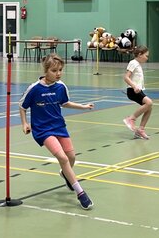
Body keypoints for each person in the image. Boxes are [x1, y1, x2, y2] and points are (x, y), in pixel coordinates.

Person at [19, 53, 94, 210]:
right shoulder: (34, 88)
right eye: (54, 70)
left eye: (60, 70)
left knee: (71, 157)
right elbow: (22, 106)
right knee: (62, 158)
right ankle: (81, 193)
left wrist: (83, 106)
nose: (58, 73)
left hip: (59, 126)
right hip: (42, 129)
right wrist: (25, 123)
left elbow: (64, 103)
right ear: (46, 70)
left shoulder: (61, 86)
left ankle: (65, 174)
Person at [122, 46, 153, 140]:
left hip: (138, 90)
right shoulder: (133, 63)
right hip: (132, 91)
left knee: (149, 107)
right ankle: (131, 119)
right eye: (146, 56)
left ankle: (141, 130)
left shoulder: (138, 64)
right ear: (140, 54)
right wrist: (134, 86)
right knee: (149, 102)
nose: (147, 58)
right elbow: (126, 77)